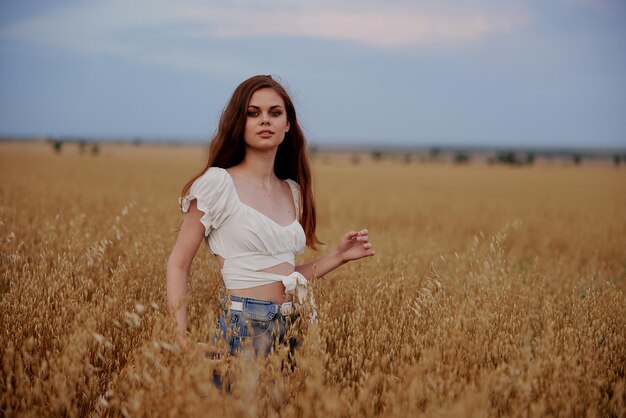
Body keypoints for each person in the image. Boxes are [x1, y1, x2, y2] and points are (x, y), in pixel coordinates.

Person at [166, 75, 374, 359]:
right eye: (254, 113)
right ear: (240, 123)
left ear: (287, 124)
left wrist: (338, 256)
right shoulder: (217, 183)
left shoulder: (292, 191)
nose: (265, 120)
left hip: (294, 326)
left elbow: (284, 276)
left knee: (289, 405)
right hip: (245, 328)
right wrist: (181, 336)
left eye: (275, 113)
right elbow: (178, 264)